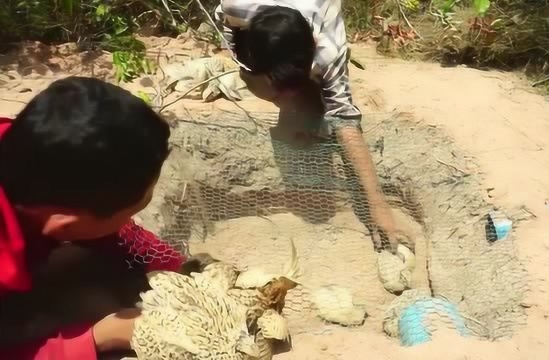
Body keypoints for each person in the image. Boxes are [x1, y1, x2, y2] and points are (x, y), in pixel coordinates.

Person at [0, 76, 206, 360]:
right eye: (131, 212)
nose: (130, 222)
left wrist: (173, 268)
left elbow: (121, 234)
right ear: (66, 225)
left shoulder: (25, 149)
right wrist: (101, 337)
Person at [214, 0, 415, 252]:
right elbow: (226, 25)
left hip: (313, 22)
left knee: (322, 101)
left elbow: (345, 120)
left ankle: (299, 93)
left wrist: (379, 206)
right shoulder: (235, 7)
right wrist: (246, 64)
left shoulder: (329, 49)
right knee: (269, 86)